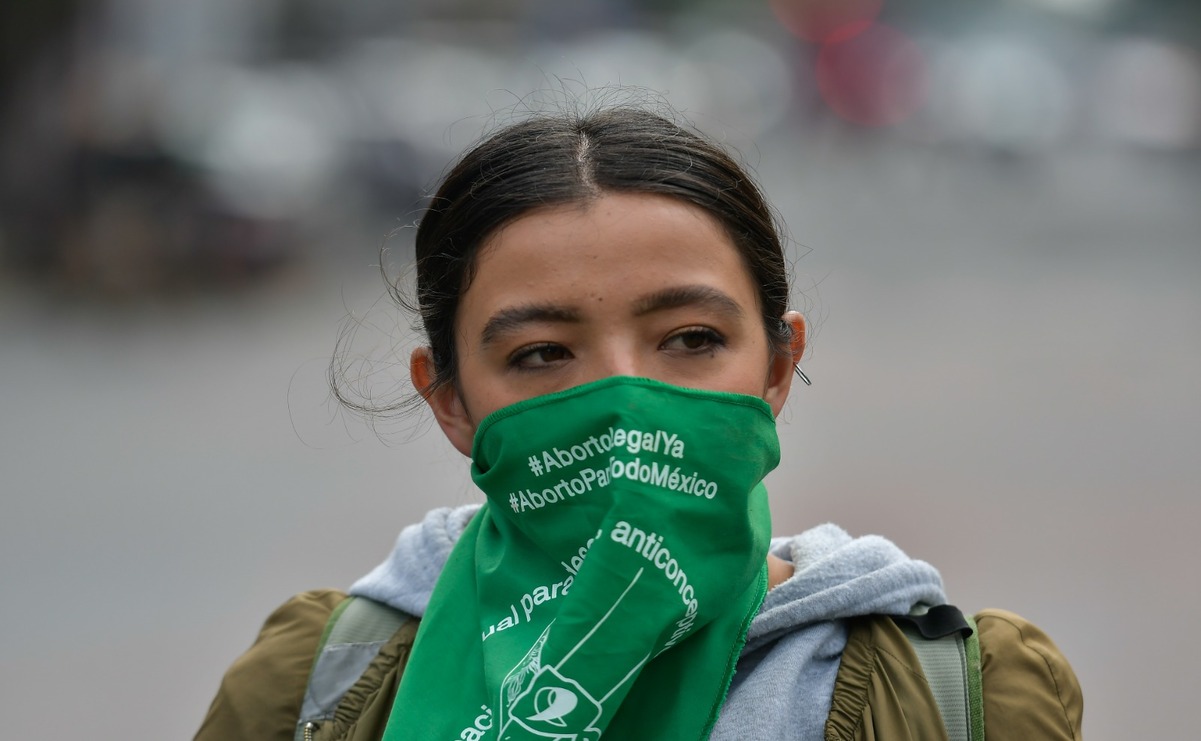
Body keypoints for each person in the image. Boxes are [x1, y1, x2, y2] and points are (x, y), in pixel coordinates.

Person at [196, 105, 1083, 740]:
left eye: (691, 339)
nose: (624, 399)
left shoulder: (961, 698)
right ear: (452, 400)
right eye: (543, 353)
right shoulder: (315, 681)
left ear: (774, 370)